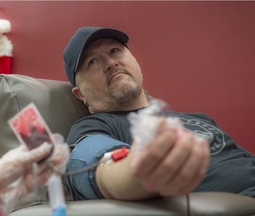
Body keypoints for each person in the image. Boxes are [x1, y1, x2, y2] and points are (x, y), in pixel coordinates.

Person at [62, 26, 255, 201]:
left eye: (115, 51)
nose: (111, 63)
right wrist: (137, 171)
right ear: (81, 95)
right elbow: (94, 166)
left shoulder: (199, 119)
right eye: (93, 61)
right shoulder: (94, 126)